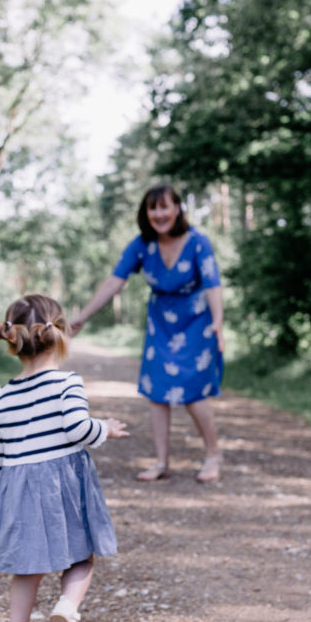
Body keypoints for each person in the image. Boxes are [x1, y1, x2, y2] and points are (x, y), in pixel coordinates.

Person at [0, 293, 129, 622]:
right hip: (62, 483)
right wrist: (104, 429)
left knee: (27, 565)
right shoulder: (67, 383)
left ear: (13, 340)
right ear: (59, 334)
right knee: (80, 555)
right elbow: (78, 428)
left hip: (17, 485)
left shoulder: (2, 396)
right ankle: (66, 608)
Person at [72, 183, 224, 484]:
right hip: (161, 325)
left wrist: (218, 321)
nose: (159, 213)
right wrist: (82, 317)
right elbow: (115, 282)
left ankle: (213, 455)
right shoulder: (141, 245)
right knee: (158, 392)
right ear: (146, 213)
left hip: (196, 324)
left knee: (192, 392)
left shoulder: (197, 242)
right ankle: (161, 462)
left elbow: (212, 284)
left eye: (165, 206)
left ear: (178, 208)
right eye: (153, 208)